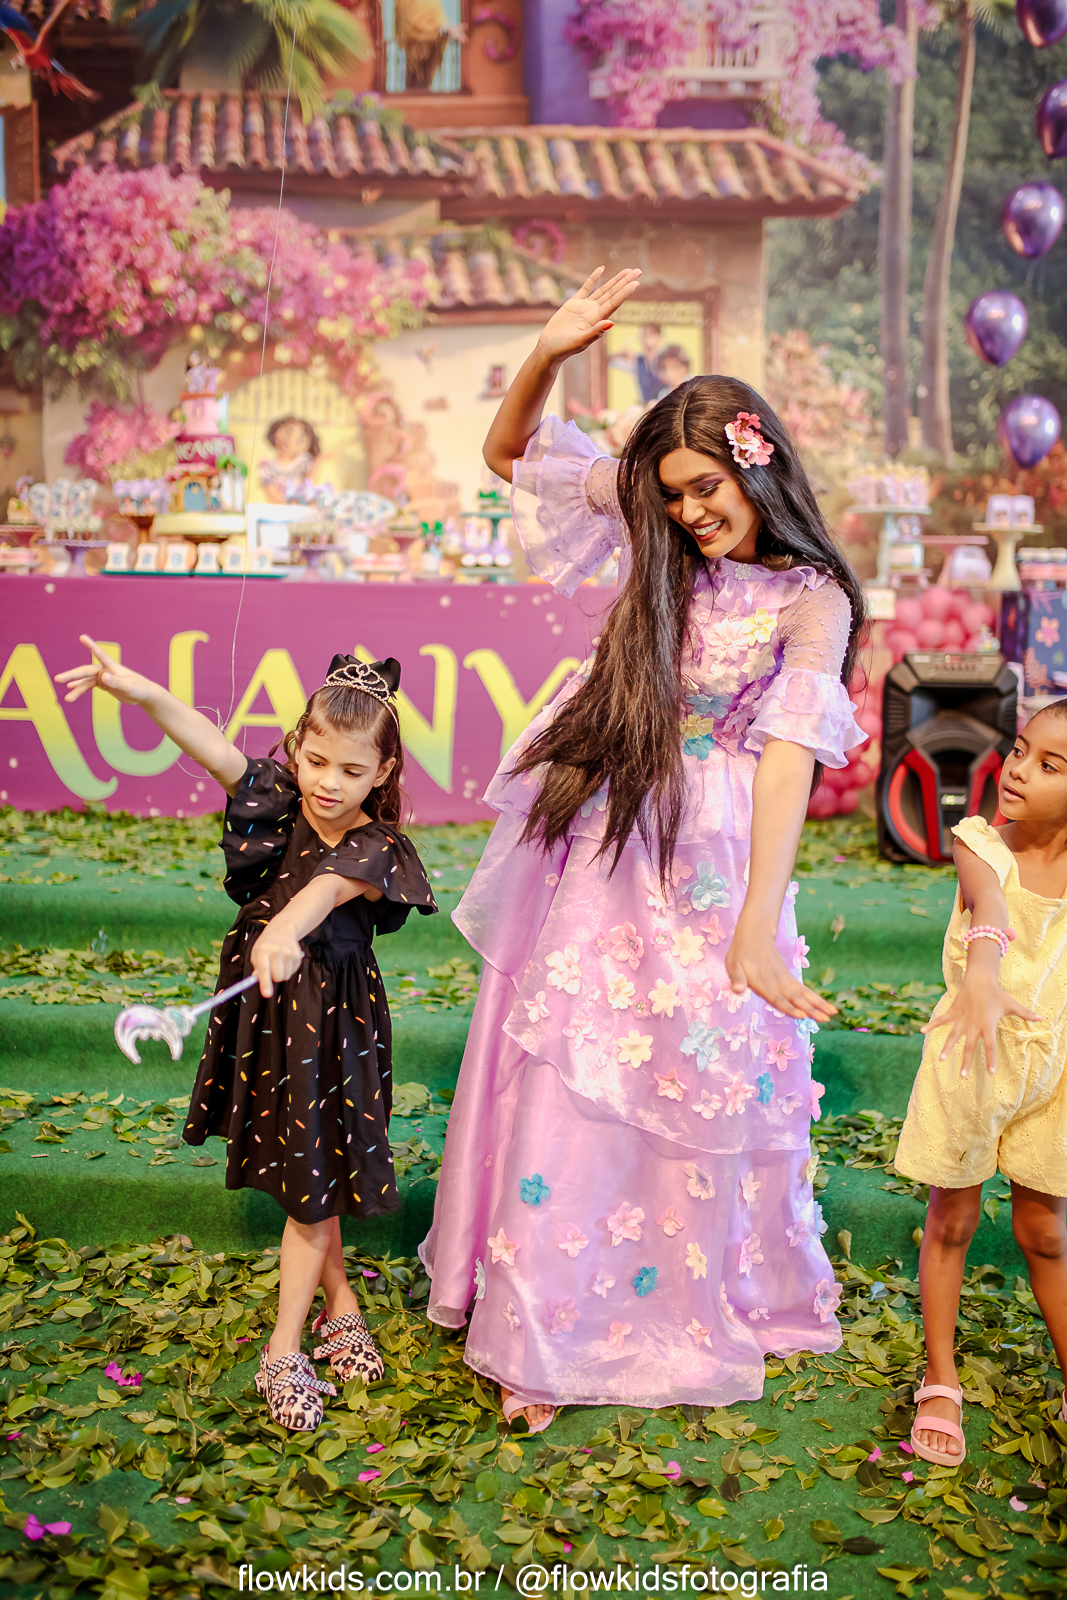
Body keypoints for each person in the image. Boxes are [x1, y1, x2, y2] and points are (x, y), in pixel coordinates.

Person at [419, 266, 868, 1433]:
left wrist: (754, 926)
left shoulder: (812, 599)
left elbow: (787, 755)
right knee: (581, 1064)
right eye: (669, 496)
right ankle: (548, 1319)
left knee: (696, 1070)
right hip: (614, 829)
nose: (687, 513)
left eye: (703, 487)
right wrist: (548, 350)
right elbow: (508, 453)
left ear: (755, 460)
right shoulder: (656, 532)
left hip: (719, 849)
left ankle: (685, 1298)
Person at [54, 640, 437, 1432]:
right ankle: (340, 1301)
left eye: (352, 771)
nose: (328, 783)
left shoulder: (379, 846)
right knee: (310, 1169)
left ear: (384, 772)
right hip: (266, 1013)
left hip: (332, 1023)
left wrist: (284, 929)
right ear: (297, 747)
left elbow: (325, 889)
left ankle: (282, 1349)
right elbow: (210, 744)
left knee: (312, 1174)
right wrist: (140, 691)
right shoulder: (278, 801)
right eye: (316, 761)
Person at [895, 709, 1067, 1466]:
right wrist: (984, 975)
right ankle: (940, 1378)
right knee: (954, 1220)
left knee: (1046, 1233)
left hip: (1054, 1074)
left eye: (1050, 765)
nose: (1019, 769)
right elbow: (989, 912)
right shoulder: (980, 844)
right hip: (972, 1057)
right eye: (1021, 750)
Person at [260, 417, 322, 505]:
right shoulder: (266, 465)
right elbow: (274, 498)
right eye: (287, 432)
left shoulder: (303, 461)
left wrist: (319, 460)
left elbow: (309, 486)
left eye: (300, 440)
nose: (290, 440)